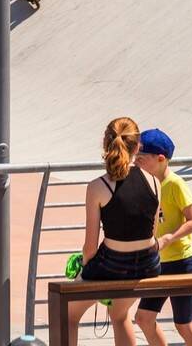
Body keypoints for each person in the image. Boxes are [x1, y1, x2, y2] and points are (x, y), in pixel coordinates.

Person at [68, 117, 162, 346]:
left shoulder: (98, 187)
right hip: (147, 266)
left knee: (67, 314)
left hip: (112, 265)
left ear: (105, 145)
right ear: (138, 146)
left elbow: (90, 247)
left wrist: (85, 267)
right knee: (120, 316)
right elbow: (152, 234)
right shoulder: (154, 181)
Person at [133, 129, 192, 346]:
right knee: (143, 318)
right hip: (157, 263)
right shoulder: (144, 183)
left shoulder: (175, 184)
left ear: (160, 159)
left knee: (184, 325)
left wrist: (169, 238)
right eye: (135, 157)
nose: (136, 163)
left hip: (182, 262)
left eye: (141, 158)